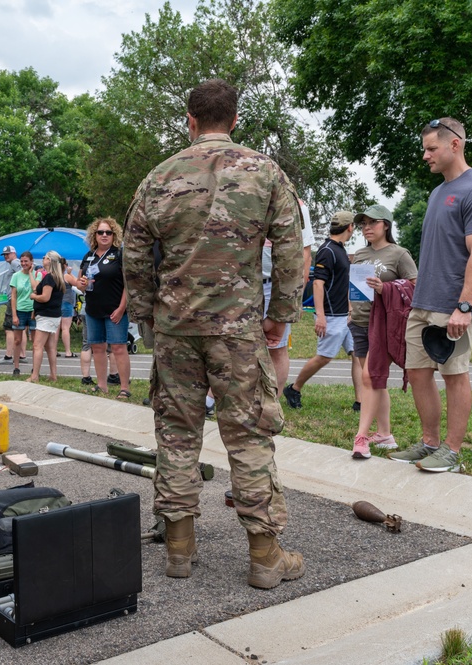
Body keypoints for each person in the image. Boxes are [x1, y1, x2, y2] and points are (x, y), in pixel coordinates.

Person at [123, 78, 305, 589]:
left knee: (176, 435)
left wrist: (147, 317)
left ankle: (179, 549)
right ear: (235, 119)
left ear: (191, 120)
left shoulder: (159, 177)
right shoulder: (265, 172)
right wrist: (281, 312)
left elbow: (134, 255)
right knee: (248, 435)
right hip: (238, 329)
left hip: (176, 328)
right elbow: (290, 249)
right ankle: (265, 557)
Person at [389, 117, 472, 473]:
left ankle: (451, 451)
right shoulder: (438, 192)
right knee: (418, 372)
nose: (425, 155)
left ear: (455, 145)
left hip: (453, 305)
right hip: (424, 300)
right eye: (424, 148)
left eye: (431, 148)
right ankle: (429, 443)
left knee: (454, 374)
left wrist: (464, 306)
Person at [348, 205, 418, 459]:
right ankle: (385, 434)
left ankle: (362, 437)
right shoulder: (360, 253)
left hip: (385, 325)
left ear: (386, 225)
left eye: (372, 223)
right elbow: (355, 286)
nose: (366, 227)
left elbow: (414, 287)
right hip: (360, 322)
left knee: (369, 378)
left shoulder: (399, 254)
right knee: (374, 380)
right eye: (363, 223)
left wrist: (385, 287)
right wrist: (350, 310)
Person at [282, 212, 358, 410]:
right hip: (331, 315)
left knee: (357, 354)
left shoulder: (341, 249)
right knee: (324, 356)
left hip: (344, 315)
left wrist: (350, 309)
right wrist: (321, 316)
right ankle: (294, 388)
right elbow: (317, 283)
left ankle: (361, 402)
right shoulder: (327, 250)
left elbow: (343, 284)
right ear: (350, 227)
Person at [68, 218, 131, 398]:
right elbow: (81, 284)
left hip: (115, 310)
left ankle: (124, 387)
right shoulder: (88, 256)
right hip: (93, 309)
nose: (104, 235)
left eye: (108, 232)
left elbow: (128, 284)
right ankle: (102, 385)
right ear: (94, 235)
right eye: (100, 232)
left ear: (114, 235)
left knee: (118, 348)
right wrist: (81, 283)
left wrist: (121, 308)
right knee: (97, 348)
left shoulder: (119, 254)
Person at [262, 195, 315, 396]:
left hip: (276, 286)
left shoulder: (296, 204)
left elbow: (305, 252)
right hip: (241, 284)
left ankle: (271, 403)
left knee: (277, 346)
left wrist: (294, 297)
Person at [27, 250, 65, 383]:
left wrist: (33, 297)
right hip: (54, 315)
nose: (43, 259)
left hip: (46, 315)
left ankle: (35, 376)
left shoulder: (49, 277)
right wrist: (31, 274)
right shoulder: (57, 277)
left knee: (37, 346)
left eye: (45, 257)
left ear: (50, 261)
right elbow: (37, 287)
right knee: (50, 347)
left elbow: (45, 297)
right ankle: (53, 375)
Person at [0, 245, 28, 365]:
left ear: (14, 253)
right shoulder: (16, 263)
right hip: (20, 299)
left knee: (9, 328)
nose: (6, 256)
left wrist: (14, 293)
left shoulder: (15, 263)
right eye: (4, 254)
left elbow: (21, 275)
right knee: (21, 328)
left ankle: (8, 356)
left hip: (14, 298)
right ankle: (22, 355)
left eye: (8, 254)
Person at [8, 251, 37, 377]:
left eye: (26, 261)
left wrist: (31, 273)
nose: (24, 264)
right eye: (22, 261)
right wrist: (14, 315)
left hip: (33, 311)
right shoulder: (16, 276)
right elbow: (13, 296)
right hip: (20, 310)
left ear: (31, 262)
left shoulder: (37, 274)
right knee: (17, 340)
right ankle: (16, 367)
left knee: (35, 342)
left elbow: (36, 289)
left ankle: (35, 368)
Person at [58, 258, 78, 358]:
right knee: (65, 328)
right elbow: (77, 283)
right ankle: (67, 351)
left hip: (57, 303)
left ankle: (54, 350)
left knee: (57, 328)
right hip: (66, 303)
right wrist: (70, 273)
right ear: (65, 266)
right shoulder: (66, 276)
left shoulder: (55, 276)